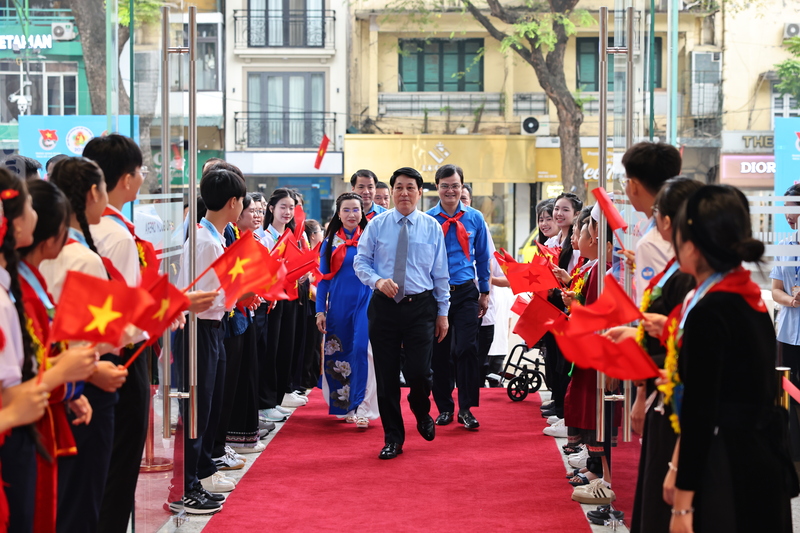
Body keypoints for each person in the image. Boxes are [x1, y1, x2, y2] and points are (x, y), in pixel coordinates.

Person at [662, 185, 797, 532]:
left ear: (692, 245)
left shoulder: (711, 310)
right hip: (758, 461)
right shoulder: (747, 298)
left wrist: (682, 506)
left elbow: (700, 410)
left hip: (725, 469)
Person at [603, 177, 700, 531]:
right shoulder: (682, 272)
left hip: (676, 405)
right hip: (667, 397)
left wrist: (644, 389)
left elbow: (695, 362)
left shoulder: (695, 280)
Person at [40, 157, 130, 533]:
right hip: (83, 385)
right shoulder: (82, 257)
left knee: (57, 499)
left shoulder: (41, 255)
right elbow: (97, 337)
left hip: (51, 386)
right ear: (93, 192)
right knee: (82, 498)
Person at [82, 133, 153, 533]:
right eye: (140, 170)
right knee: (120, 464)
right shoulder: (117, 235)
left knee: (97, 468)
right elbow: (123, 316)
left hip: (86, 357)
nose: (143, 177)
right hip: (119, 357)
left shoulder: (83, 229)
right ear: (126, 179)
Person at [19, 179, 99, 533]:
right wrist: (62, 377)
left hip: (41, 411)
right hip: (24, 422)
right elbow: (18, 375)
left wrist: (65, 389)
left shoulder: (26, 283)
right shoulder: (17, 292)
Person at [354, 166, 450, 460]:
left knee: (420, 373)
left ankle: (421, 409)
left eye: (410, 187)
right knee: (386, 377)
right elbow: (361, 262)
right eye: (399, 187)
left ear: (420, 192)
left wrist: (443, 312)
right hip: (384, 307)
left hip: (420, 307)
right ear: (392, 191)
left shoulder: (431, 227)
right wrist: (377, 281)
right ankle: (393, 438)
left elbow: (440, 274)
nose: (404, 193)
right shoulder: (377, 225)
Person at [171, 167, 247, 514]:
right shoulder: (206, 241)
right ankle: (187, 487)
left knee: (205, 407)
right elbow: (205, 296)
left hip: (207, 329)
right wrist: (238, 294)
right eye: (241, 201)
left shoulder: (210, 236)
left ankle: (197, 476)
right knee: (197, 410)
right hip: (198, 329)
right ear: (232, 202)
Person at [427, 164, 490, 430]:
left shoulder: (475, 218)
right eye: (445, 185)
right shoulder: (428, 220)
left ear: (462, 187)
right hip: (435, 294)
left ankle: (466, 408)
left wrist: (484, 291)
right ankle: (444, 408)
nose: (450, 190)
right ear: (437, 187)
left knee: (466, 349)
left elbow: (483, 256)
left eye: (455, 185)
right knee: (439, 353)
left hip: (465, 292)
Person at [316, 193, 378, 428]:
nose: (352, 214)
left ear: (362, 213)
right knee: (339, 353)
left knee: (361, 350)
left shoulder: (371, 238)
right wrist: (320, 311)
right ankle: (345, 405)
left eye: (356, 209)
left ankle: (362, 406)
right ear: (338, 214)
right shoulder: (330, 242)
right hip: (339, 306)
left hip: (366, 302)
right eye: (346, 210)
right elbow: (323, 280)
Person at [620, 142, 681, 305]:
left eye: (625, 181)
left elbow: (650, 307)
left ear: (634, 186)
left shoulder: (652, 241)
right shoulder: (676, 224)